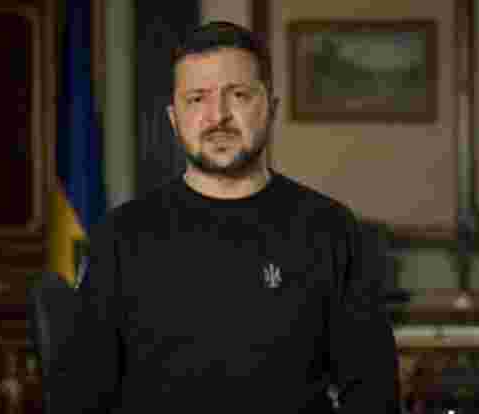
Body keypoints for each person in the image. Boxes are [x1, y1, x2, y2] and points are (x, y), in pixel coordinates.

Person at [56, 21, 399, 413]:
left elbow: (373, 394)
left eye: (238, 95)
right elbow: (79, 398)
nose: (217, 116)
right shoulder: (120, 236)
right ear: (174, 118)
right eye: (197, 99)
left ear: (270, 108)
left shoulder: (330, 228)